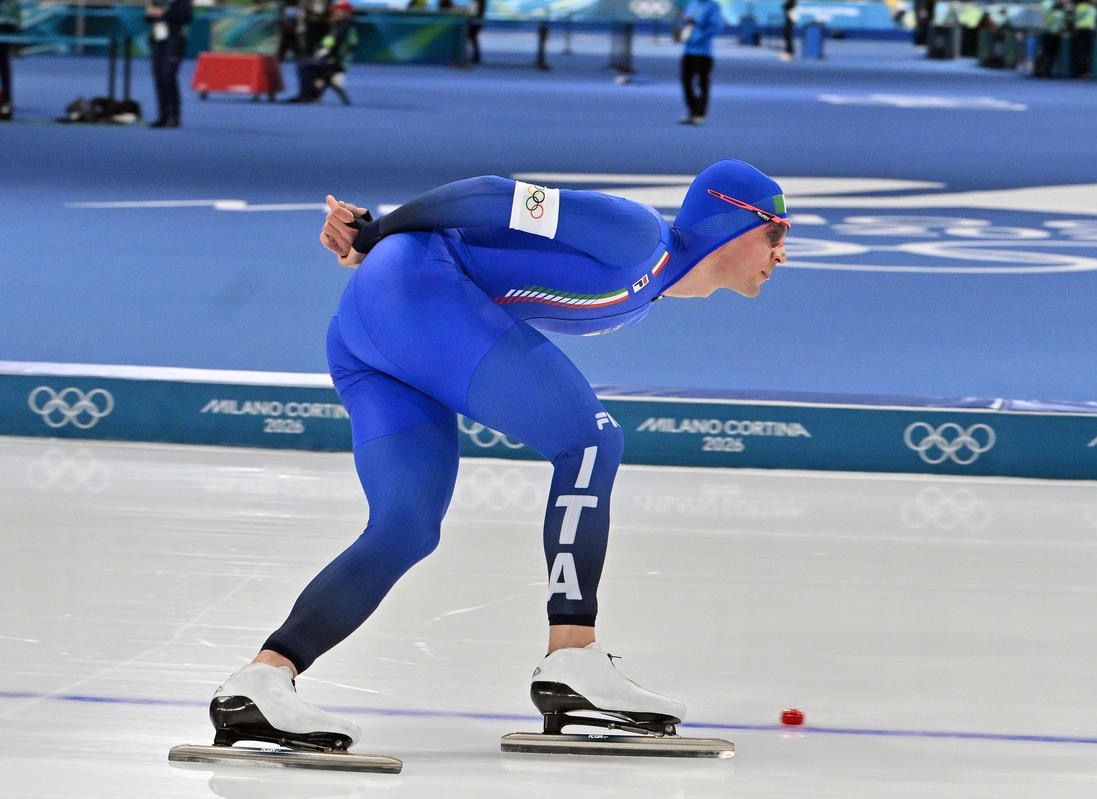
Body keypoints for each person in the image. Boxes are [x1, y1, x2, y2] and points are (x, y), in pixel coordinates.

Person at [208, 160, 790, 751]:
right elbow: (489, 195)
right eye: (775, 233)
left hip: (374, 327)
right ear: (730, 221)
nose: (782, 253)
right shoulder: (637, 236)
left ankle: (261, 681)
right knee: (591, 440)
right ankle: (573, 658)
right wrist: (376, 233)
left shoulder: (645, 293)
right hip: (411, 293)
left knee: (405, 529)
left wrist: (376, 243)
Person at [287, 0, 356, 103]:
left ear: (347, 13)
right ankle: (312, 94)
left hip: (334, 61)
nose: (336, 13)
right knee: (308, 62)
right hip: (335, 60)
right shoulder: (342, 25)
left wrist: (321, 53)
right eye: (336, 11)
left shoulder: (343, 26)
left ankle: (307, 95)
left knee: (303, 64)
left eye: (339, 11)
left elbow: (330, 43)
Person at [145, 0, 192, 128]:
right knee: (159, 78)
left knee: (168, 76)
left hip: (174, 40)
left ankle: (174, 116)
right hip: (158, 39)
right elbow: (150, 18)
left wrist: (163, 13)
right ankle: (163, 115)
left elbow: (186, 17)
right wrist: (150, 13)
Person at [678, 0, 723, 125]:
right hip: (688, 50)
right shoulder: (691, 3)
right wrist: (682, 32)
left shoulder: (713, 6)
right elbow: (685, 22)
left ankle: (700, 113)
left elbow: (717, 27)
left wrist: (700, 36)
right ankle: (692, 111)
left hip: (704, 52)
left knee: (702, 83)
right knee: (686, 82)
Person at [0, 0, 20, 121]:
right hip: (9, 22)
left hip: (6, 23)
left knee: (3, 61)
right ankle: (6, 99)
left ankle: (6, 100)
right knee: (3, 61)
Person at [276, 0, 308, 65]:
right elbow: (281, 19)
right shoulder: (284, 7)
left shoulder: (299, 9)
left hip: (295, 33)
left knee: (299, 52)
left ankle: (302, 64)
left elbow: (302, 18)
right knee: (282, 52)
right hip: (287, 33)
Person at [1071, 0, 1097, 77]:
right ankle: (1086, 71)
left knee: (1080, 52)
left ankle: (1080, 72)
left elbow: (1074, 19)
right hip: (1089, 31)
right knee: (1087, 52)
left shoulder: (1078, 8)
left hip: (1080, 31)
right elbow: (1095, 19)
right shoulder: (1092, 8)